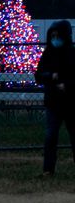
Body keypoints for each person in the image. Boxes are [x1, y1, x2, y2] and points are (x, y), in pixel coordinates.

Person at [35, 19, 75, 176]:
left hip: (71, 102)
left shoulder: (72, 54)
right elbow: (38, 76)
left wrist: (67, 86)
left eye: (58, 35)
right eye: (52, 35)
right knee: (50, 136)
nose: (55, 39)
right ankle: (48, 169)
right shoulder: (48, 54)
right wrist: (51, 76)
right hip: (53, 102)